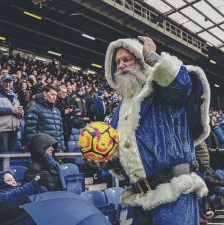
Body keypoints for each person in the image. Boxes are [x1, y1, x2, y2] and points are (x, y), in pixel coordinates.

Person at [89, 36, 211, 225]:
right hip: (140, 197)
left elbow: (181, 85)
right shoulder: (120, 111)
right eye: (117, 62)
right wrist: (104, 161)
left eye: (126, 59)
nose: (120, 65)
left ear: (140, 60)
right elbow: (119, 153)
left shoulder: (162, 89)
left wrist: (153, 58)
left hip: (174, 192)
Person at [24, 84, 66, 152]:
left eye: (56, 95)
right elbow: (30, 132)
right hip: (42, 151)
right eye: (52, 94)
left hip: (57, 151)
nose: (54, 97)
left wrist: (62, 148)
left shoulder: (57, 111)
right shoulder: (35, 108)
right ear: (45, 93)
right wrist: (38, 149)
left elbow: (60, 133)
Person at [0, 74, 23, 153]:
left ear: (12, 83)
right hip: (1, 129)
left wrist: (21, 113)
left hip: (14, 129)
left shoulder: (14, 94)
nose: (7, 84)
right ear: (1, 82)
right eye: (5, 82)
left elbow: (17, 108)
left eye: (9, 82)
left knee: (12, 155)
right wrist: (11, 110)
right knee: (2, 154)